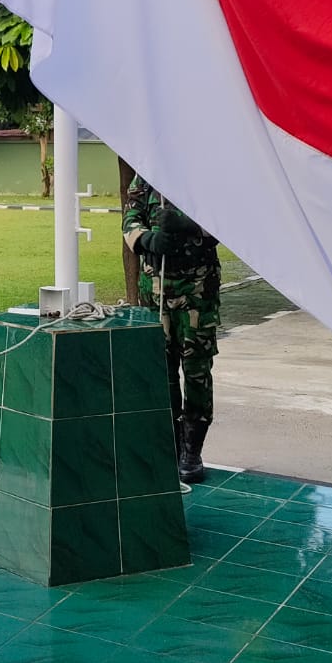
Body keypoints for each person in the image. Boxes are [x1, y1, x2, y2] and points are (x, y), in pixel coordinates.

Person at [122, 172, 222, 483]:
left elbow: (229, 223)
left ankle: (192, 449)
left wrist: (187, 224)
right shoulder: (148, 173)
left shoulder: (204, 171)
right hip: (156, 287)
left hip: (197, 287)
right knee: (160, 367)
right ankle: (170, 443)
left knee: (195, 368)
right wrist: (146, 239)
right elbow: (130, 217)